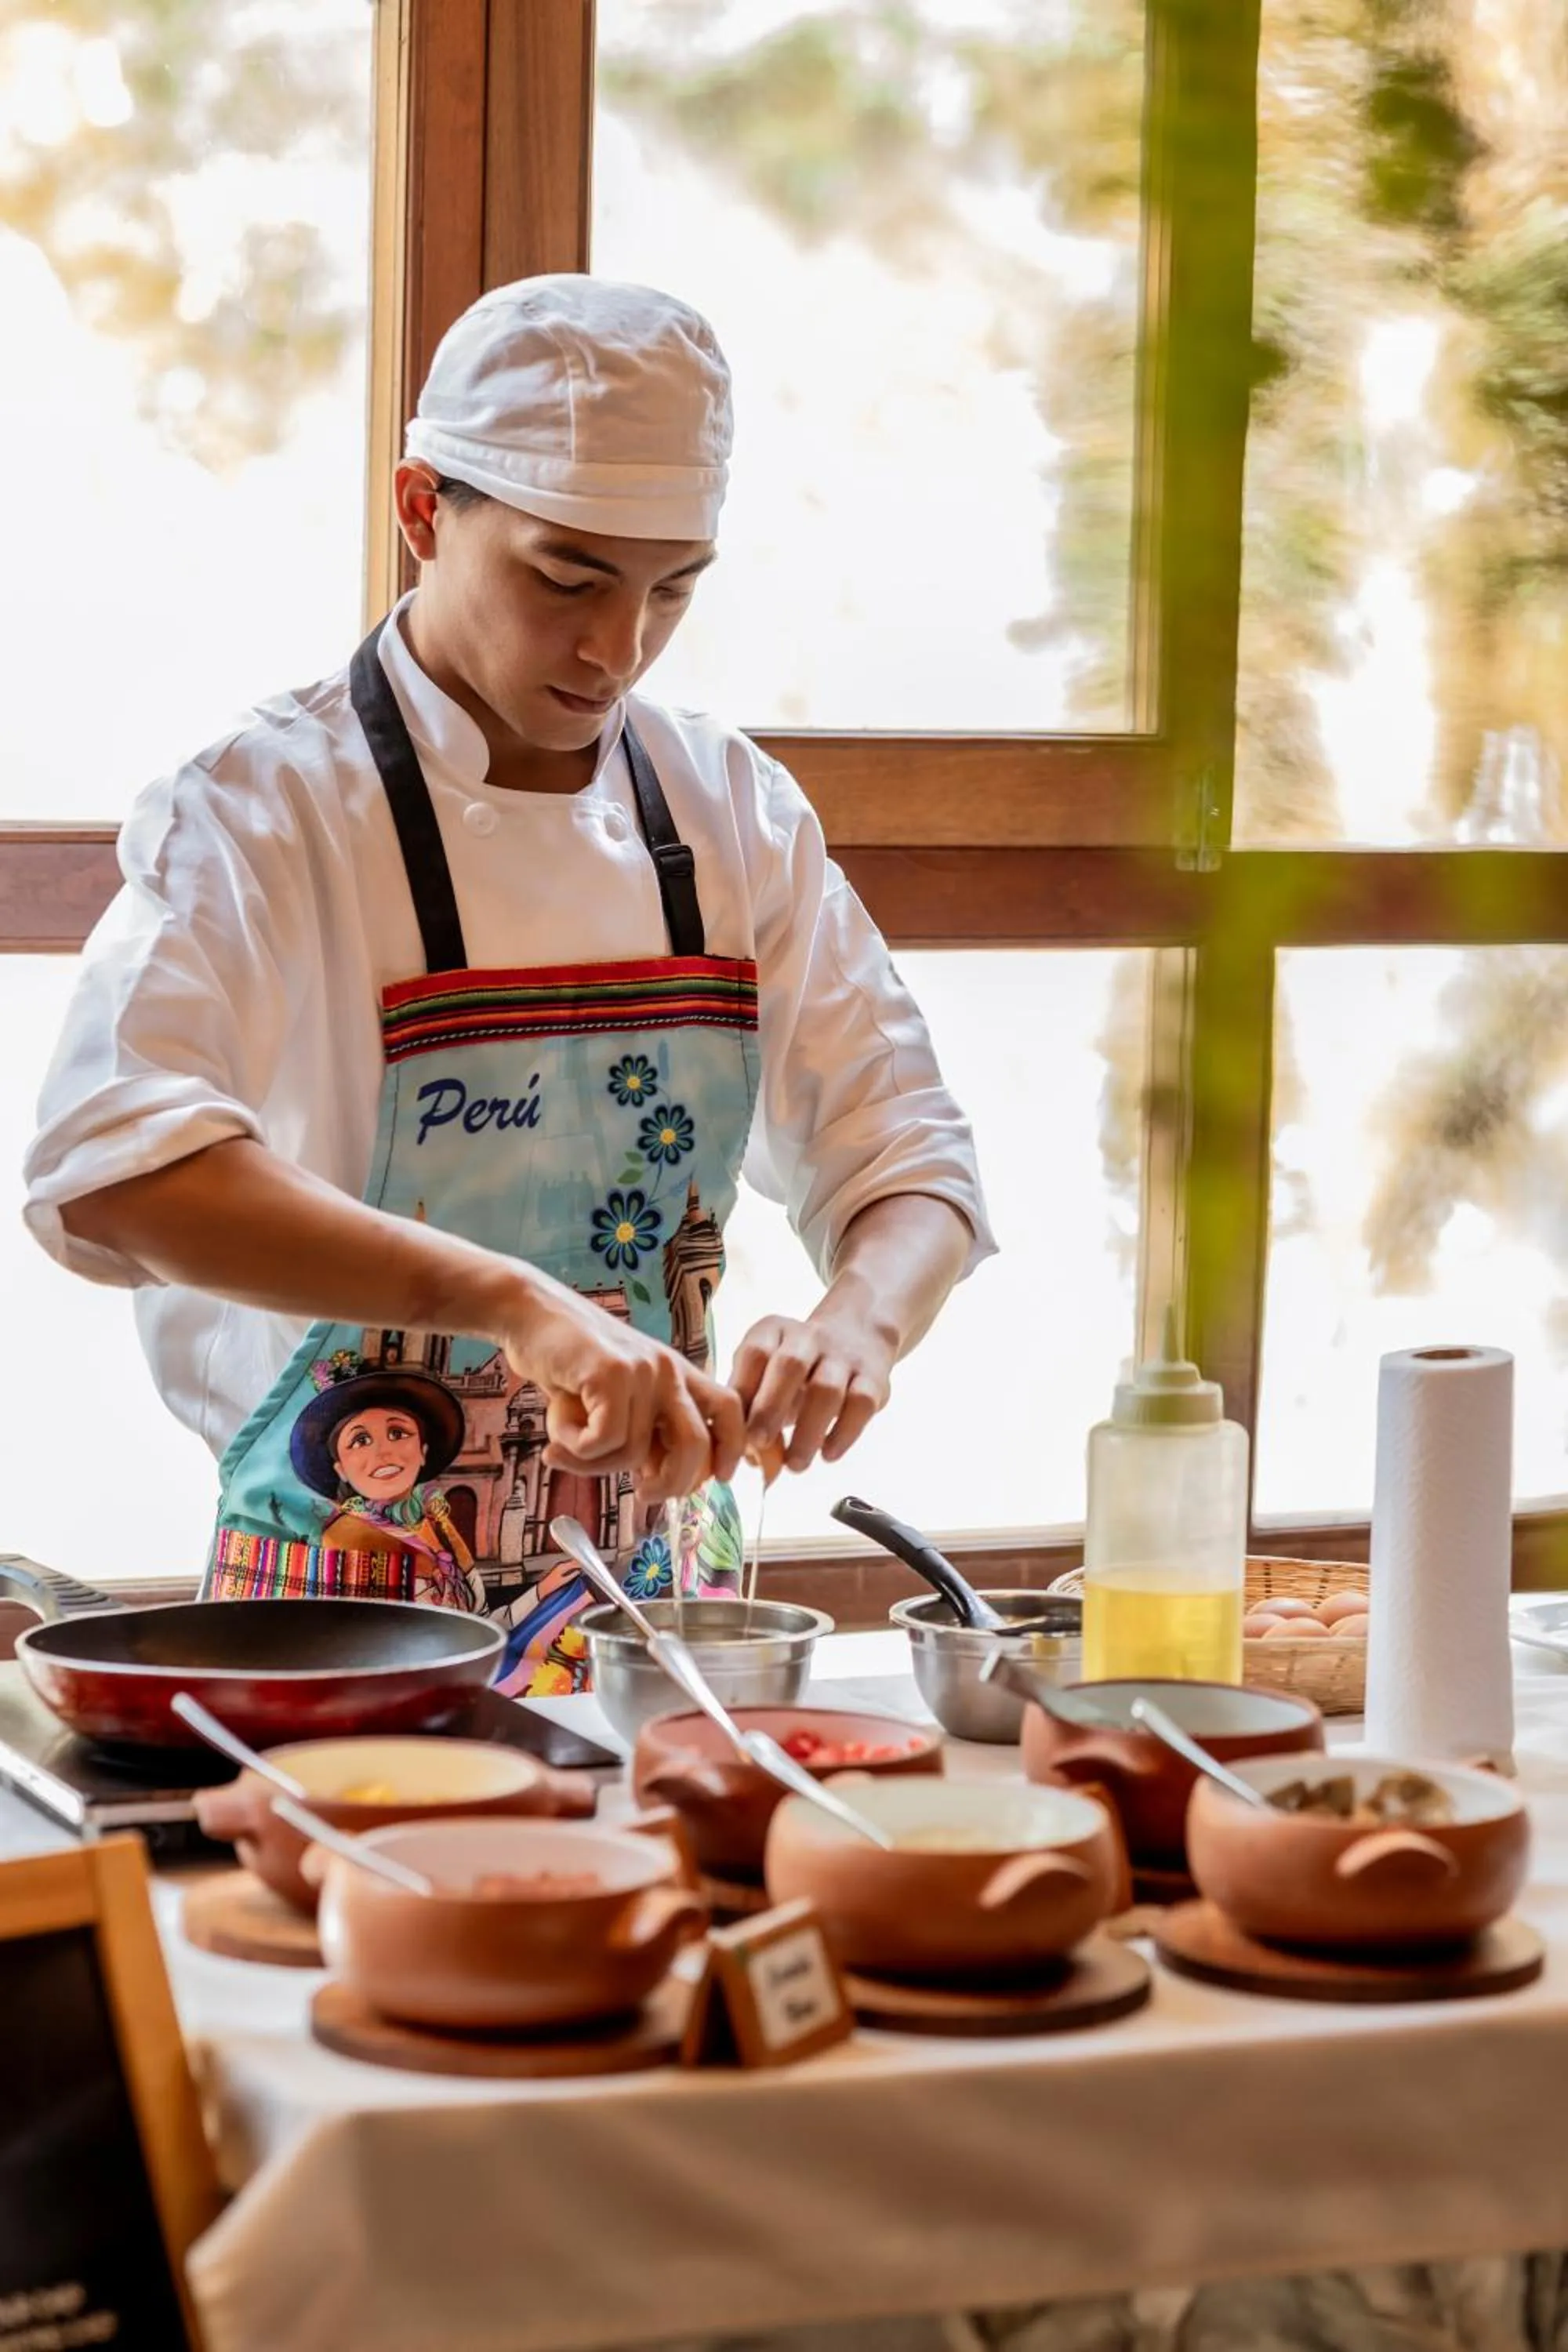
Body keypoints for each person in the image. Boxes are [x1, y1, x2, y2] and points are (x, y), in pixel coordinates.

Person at [23, 274, 993, 1696]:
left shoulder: (731, 810)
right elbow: (115, 1171)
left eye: (673, 588)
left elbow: (910, 1155)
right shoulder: (264, 809)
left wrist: (858, 1322)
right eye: (567, 579)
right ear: (423, 510)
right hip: (340, 1630)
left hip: (661, 1628)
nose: (620, 648)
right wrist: (517, 1303)